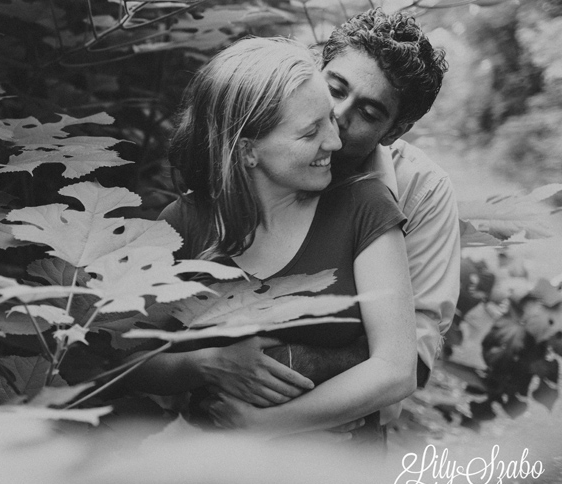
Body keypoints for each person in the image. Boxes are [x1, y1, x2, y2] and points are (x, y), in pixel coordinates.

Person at [126, 36, 418, 438]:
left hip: (337, 474)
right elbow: (126, 363)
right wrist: (206, 362)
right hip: (208, 469)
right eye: (311, 131)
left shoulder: (364, 206)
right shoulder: (183, 224)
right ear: (248, 150)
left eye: (329, 121)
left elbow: (397, 371)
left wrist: (265, 425)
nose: (334, 141)